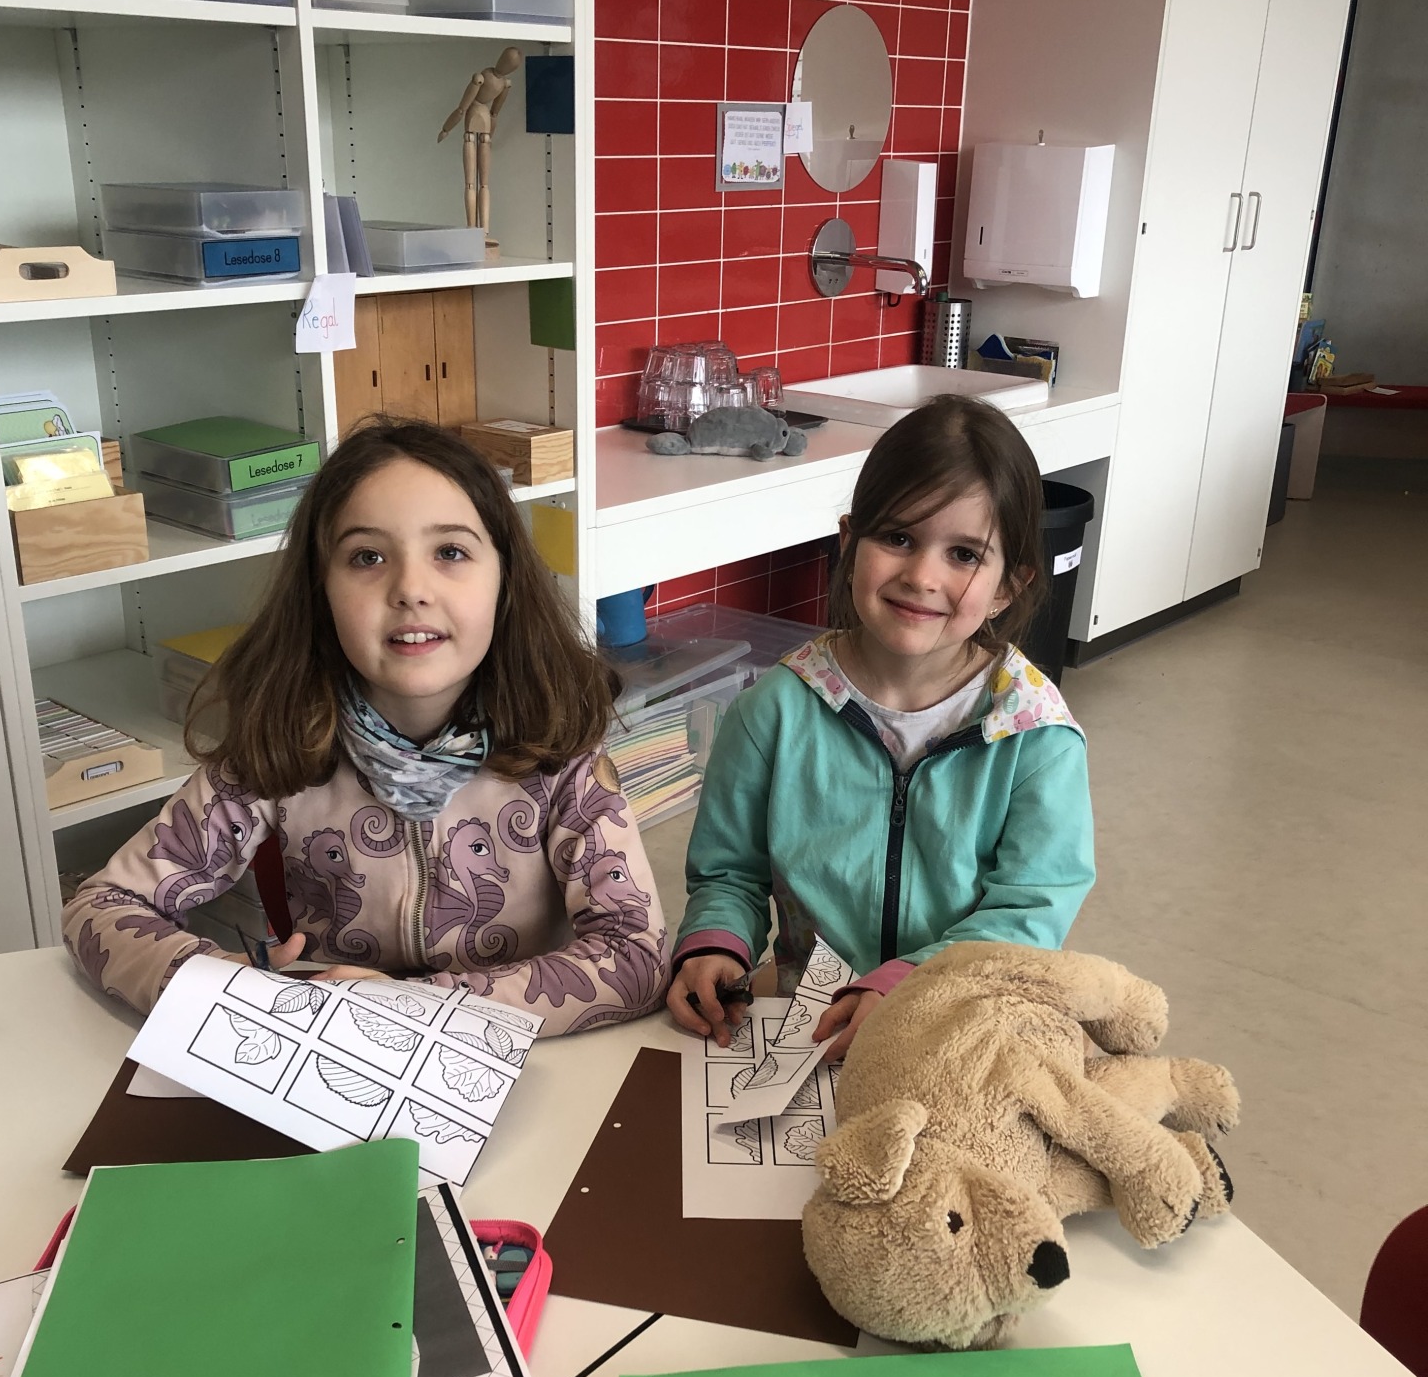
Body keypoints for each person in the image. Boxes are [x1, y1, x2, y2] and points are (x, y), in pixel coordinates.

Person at [64, 418, 667, 1032]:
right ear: (320, 589)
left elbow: (635, 958)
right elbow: (101, 906)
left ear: (504, 578)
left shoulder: (561, 752)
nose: (411, 590)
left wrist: (413, 1006)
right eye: (367, 557)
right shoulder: (280, 745)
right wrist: (219, 985)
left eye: (450, 552)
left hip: (517, 1060)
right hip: (332, 1057)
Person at [666, 395, 1093, 1062]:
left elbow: (1031, 911)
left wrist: (909, 982)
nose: (922, 576)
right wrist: (717, 941)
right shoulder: (772, 710)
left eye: (963, 554)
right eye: (898, 538)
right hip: (807, 1030)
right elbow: (729, 873)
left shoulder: (1036, 736)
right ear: (849, 543)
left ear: (1008, 587)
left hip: (962, 1026)